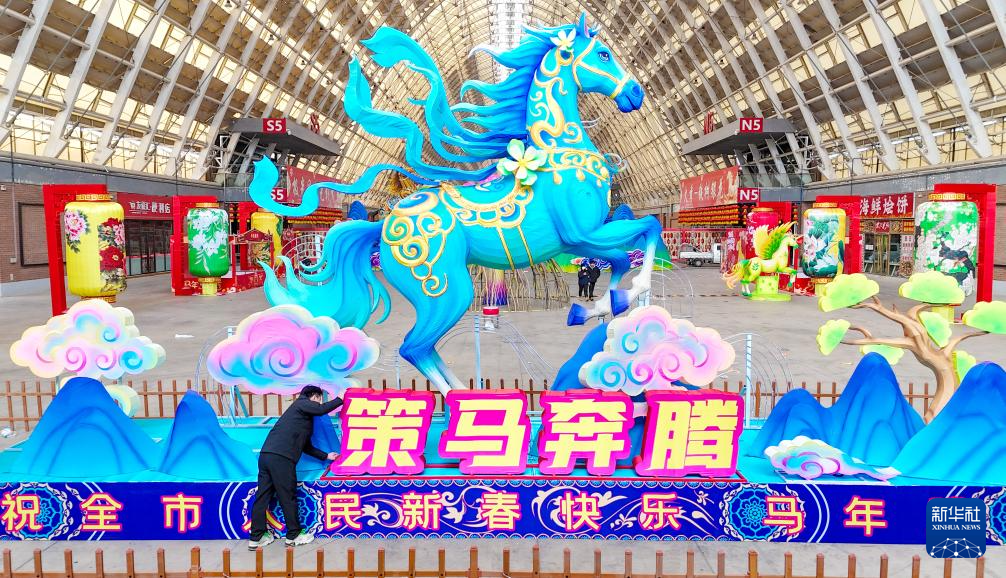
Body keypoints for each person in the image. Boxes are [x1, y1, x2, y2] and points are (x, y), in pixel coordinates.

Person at [248, 385, 342, 550]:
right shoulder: (302, 403)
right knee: (287, 496)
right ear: (314, 396)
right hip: (281, 459)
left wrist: (326, 456)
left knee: (262, 497)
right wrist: (340, 398)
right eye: (319, 399)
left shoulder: (300, 417)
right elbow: (321, 409)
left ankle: (257, 537)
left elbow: (306, 447)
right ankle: (294, 535)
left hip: (266, 456)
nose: (319, 403)